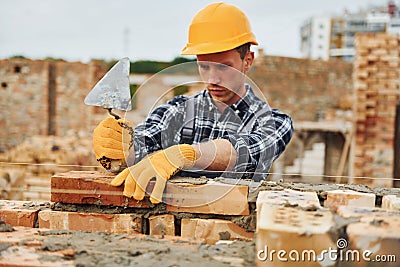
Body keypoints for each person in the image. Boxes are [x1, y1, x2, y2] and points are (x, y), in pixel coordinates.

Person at [93, 2, 293, 204]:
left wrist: (187, 154)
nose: (212, 78)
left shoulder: (275, 122)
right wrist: (122, 146)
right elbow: (146, 139)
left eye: (224, 67)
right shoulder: (178, 110)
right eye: (204, 67)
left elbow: (246, 152)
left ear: (248, 60)